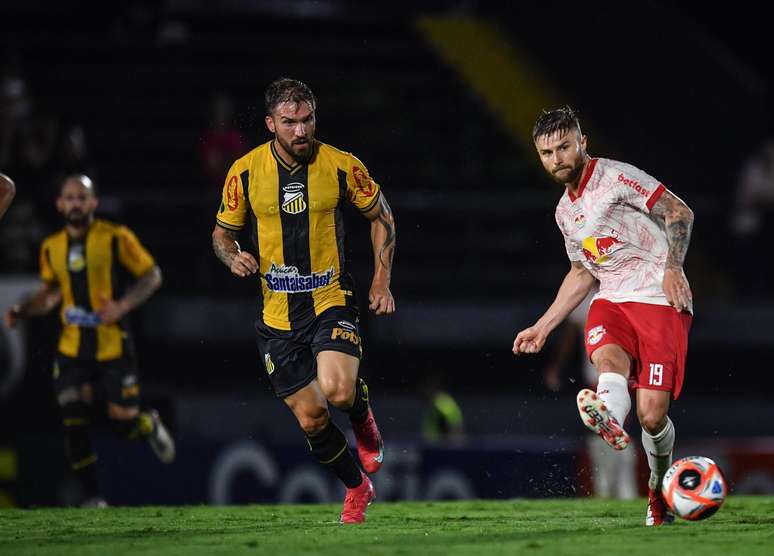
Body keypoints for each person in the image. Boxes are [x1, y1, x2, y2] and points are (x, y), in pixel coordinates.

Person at [211, 78, 395, 524]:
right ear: (272, 123)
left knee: (337, 389)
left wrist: (381, 280)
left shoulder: (340, 165)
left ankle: (361, 415)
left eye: (307, 119)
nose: (300, 131)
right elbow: (222, 234)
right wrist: (232, 257)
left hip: (330, 297)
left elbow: (381, 215)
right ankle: (356, 487)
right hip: (276, 316)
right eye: (290, 122)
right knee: (312, 418)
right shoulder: (246, 171)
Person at [512, 106, 694, 526]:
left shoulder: (616, 177)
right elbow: (581, 272)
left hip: (658, 298)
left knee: (652, 416)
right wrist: (543, 326)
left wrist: (673, 268)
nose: (557, 159)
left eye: (563, 147)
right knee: (607, 363)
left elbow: (678, 211)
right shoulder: (564, 213)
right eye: (546, 153)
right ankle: (608, 410)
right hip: (610, 299)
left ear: (582, 143)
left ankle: (657, 487)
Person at [4, 174, 175, 507]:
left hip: (112, 346)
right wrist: (22, 310)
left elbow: (152, 275)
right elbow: (52, 294)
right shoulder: (51, 247)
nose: (75, 204)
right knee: (73, 417)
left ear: (94, 203)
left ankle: (148, 424)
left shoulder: (115, 238)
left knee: (122, 424)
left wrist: (122, 305)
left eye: (82, 198)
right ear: (59, 204)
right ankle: (93, 498)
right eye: (69, 198)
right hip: (72, 350)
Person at [542, 286, 637, 500]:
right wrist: (556, 367)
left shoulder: (627, 291)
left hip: (623, 375)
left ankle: (621, 491)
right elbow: (570, 338)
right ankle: (609, 490)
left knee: (615, 433)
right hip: (598, 376)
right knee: (606, 433)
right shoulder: (584, 297)